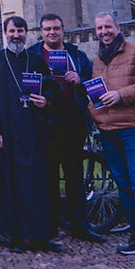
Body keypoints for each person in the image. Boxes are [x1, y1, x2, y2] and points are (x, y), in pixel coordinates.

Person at [90, 12, 135, 267]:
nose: (103, 31)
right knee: (124, 184)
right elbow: (95, 93)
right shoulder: (98, 60)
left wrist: (120, 96)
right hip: (108, 129)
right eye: (99, 28)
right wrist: (95, 113)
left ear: (117, 27)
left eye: (107, 27)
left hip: (133, 127)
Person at [0, 15, 59, 253]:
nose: (16, 35)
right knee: (12, 184)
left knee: (36, 183)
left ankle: (39, 235)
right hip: (6, 130)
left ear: (27, 32)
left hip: (32, 131)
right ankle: (15, 236)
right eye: (12, 31)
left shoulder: (36, 60)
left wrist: (45, 100)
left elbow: (51, 90)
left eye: (20, 30)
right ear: (5, 33)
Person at [27, 12, 104, 242]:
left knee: (74, 178)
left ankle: (81, 226)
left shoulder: (77, 55)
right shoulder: (32, 55)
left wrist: (80, 80)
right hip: (45, 126)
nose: (52, 32)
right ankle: (50, 228)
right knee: (48, 179)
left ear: (63, 30)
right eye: (47, 29)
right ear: (41, 31)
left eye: (56, 28)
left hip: (73, 124)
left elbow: (92, 86)